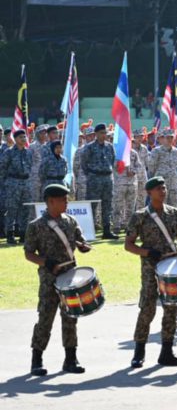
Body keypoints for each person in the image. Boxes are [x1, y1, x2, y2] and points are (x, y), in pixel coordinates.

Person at [25, 184, 92, 376]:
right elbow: (28, 253)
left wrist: (84, 247)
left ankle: (71, 359)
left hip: (70, 276)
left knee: (70, 317)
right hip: (49, 278)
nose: (67, 202)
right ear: (51, 201)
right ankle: (36, 359)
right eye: (63, 199)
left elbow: (81, 242)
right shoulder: (36, 225)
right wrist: (45, 262)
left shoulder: (70, 221)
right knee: (45, 318)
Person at [124, 177, 177, 368]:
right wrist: (147, 252)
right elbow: (128, 245)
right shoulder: (140, 216)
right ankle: (139, 351)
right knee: (148, 308)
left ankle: (166, 352)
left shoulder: (174, 213)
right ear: (149, 193)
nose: (163, 191)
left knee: (171, 308)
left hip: (171, 268)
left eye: (164, 187)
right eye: (159, 189)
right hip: (150, 269)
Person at [82, 123, 118, 240]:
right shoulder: (89, 147)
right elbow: (84, 164)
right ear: (96, 134)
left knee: (107, 204)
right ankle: (88, 231)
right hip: (94, 178)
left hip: (107, 178)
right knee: (92, 204)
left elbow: (112, 161)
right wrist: (92, 174)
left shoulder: (110, 146)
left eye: (105, 133)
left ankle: (107, 230)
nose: (104, 135)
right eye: (101, 133)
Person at [146, 128, 177, 207]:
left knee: (173, 204)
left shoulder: (176, 151)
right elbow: (151, 168)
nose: (169, 139)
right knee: (160, 203)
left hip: (173, 181)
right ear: (162, 138)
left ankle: (173, 219)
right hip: (160, 182)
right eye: (167, 137)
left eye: (171, 137)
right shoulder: (156, 151)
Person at [112, 141, 141, 234]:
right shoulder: (117, 153)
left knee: (131, 206)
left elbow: (139, 166)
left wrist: (133, 171)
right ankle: (116, 225)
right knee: (118, 206)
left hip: (132, 183)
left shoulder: (134, 153)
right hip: (119, 183)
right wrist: (120, 163)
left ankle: (128, 225)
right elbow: (113, 165)